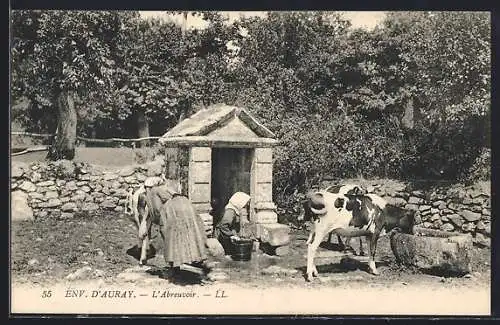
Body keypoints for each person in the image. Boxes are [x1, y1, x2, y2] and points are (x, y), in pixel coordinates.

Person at [140, 176, 209, 274]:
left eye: (146, 187)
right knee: (189, 232)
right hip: (185, 205)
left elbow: (158, 210)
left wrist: (161, 224)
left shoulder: (153, 191)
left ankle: (175, 264)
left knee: (171, 236)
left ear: (149, 187)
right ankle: (197, 258)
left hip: (173, 208)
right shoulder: (168, 187)